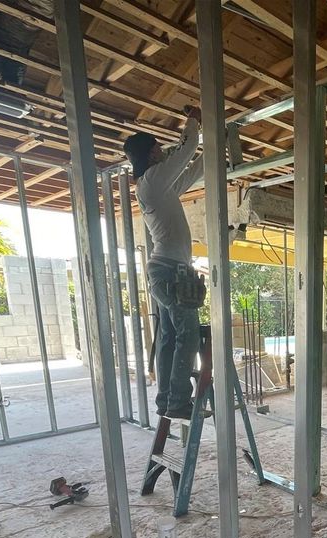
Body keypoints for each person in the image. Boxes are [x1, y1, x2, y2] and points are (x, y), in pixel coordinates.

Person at [124, 106, 205, 419]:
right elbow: (184, 153)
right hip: (170, 271)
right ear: (149, 153)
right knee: (187, 335)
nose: (161, 149)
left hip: (165, 271)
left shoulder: (156, 186)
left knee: (171, 337)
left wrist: (212, 147)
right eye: (157, 146)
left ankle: (165, 401)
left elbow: (192, 171)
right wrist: (193, 122)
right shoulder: (153, 179)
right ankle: (179, 402)